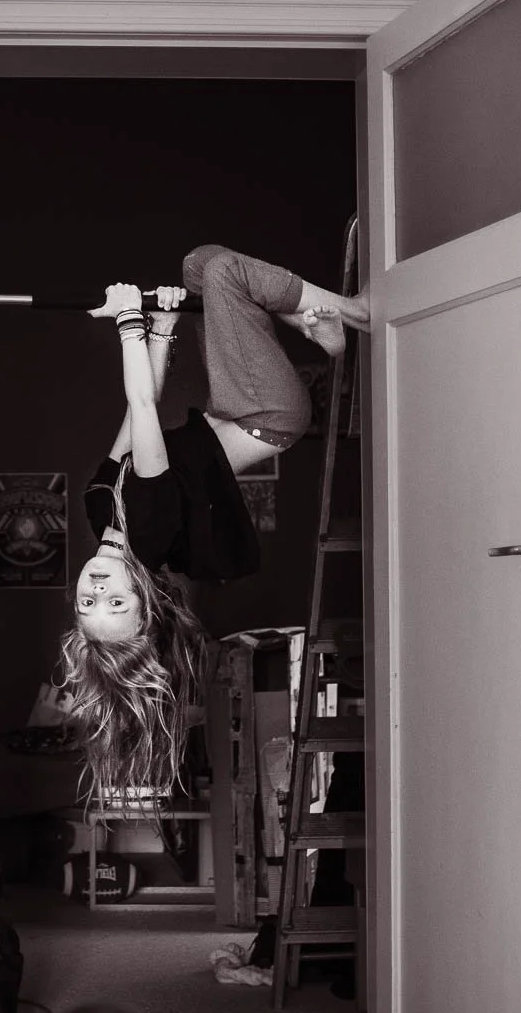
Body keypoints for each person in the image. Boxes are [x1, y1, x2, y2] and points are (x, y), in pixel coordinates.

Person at [59, 244, 369, 799]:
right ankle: (354, 313)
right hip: (268, 416)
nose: (98, 590)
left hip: (231, 410)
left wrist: (164, 326)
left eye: (88, 604)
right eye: (117, 604)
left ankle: (324, 337)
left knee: (198, 266)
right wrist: (130, 322)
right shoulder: (149, 531)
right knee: (226, 274)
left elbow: (137, 411)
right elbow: (148, 409)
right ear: (146, 598)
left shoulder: (99, 509)